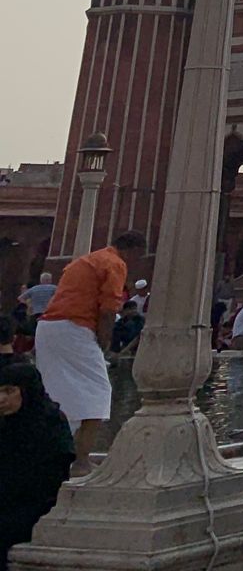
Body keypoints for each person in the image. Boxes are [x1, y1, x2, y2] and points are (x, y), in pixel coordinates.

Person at [34, 228, 144, 462]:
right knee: (99, 393)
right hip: (74, 327)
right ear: (133, 250)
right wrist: (104, 343)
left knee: (56, 393)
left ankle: (51, 456)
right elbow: (108, 309)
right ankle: (80, 462)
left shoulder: (86, 260)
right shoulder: (114, 263)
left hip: (48, 328)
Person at [0, 362, 75, 567]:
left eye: (9, 391)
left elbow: (49, 480)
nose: (2, 399)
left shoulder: (50, 424)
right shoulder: (5, 422)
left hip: (34, 506)